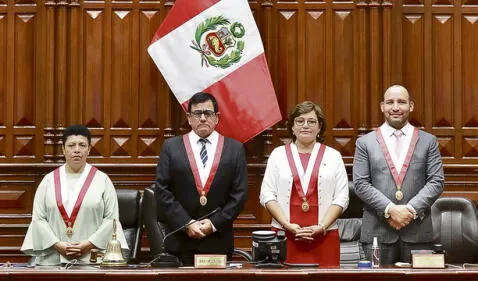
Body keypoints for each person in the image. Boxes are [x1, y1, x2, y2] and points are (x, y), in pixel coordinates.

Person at [353, 84, 444, 264]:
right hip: (377, 233)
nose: (395, 107)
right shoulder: (365, 143)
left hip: (418, 232)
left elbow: (436, 181)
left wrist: (409, 211)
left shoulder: (428, 141)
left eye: (401, 102)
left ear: (411, 106)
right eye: (390, 102)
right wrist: (390, 210)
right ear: (382, 107)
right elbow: (361, 184)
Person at [154, 92, 247, 265]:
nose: (203, 118)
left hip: (218, 241)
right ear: (189, 118)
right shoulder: (171, 147)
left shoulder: (235, 149)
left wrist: (213, 224)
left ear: (217, 117)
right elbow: (162, 191)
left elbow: (239, 195)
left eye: (208, 113)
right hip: (180, 243)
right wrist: (186, 223)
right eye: (197, 113)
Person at [21, 124, 128, 265]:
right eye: (71, 145)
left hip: (92, 259)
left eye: (82, 145)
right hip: (52, 260)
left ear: (89, 149)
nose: (77, 150)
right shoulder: (48, 180)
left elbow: (111, 219)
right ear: (63, 149)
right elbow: (38, 219)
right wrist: (57, 244)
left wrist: (88, 244)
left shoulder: (102, 180)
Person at [259, 101, 349, 266]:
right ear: (292, 127)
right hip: (284, 236)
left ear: (320, 126)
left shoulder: (333, 156)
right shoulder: (278, 155)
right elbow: (267, 195)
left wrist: (321, 226)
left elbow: (342, 198)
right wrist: (286, 225)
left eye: (312, 121)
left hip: (324, 236)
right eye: (300, 121)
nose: (305, 125)